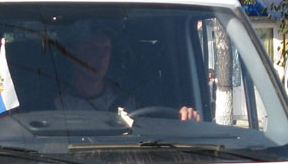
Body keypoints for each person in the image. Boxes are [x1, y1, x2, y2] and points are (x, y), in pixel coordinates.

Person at [55, 25, 200, 121]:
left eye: (105, 50)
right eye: (91, 50)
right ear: (72, 55)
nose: (100, 57)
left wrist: (187, 117)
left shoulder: (132, 101)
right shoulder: (55, 104)